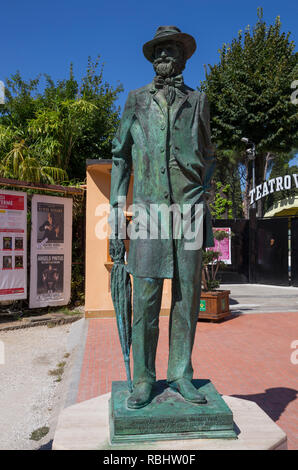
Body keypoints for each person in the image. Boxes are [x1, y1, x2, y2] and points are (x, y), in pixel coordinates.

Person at [109, 26, 215, 409]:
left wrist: (204, 194)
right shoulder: (135, 100)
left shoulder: (199, 100)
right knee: (147, 298)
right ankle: (142, 379)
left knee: (187, 299)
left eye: (171, 49)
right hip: (150, 213)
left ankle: (182, 374)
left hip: (188, 210)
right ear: (152, 57)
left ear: (185, 57)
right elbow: (120, 156)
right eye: (158, 50)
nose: (164, 56)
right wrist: (117, 214)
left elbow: (210, 154)